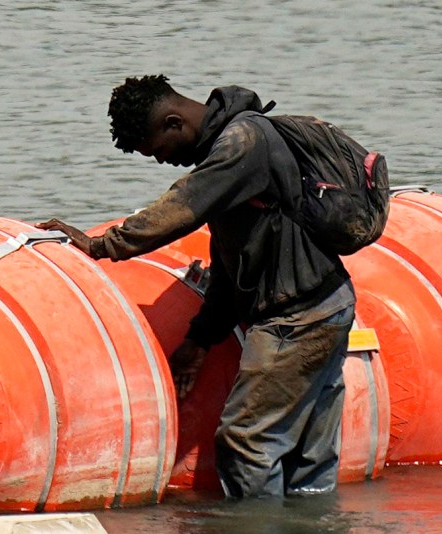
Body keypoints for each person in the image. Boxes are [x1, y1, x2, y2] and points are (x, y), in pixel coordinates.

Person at [37, 75, 355, 499]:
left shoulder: (242, 143)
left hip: (295, 319)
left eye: (159, 151)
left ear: (174, 122)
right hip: (327, 304)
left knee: (246, 443)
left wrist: (99, 245)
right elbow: (232, 263)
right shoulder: (243, 145)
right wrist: (201, 339)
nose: (162, 162)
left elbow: (181, 207)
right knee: (307, 455)